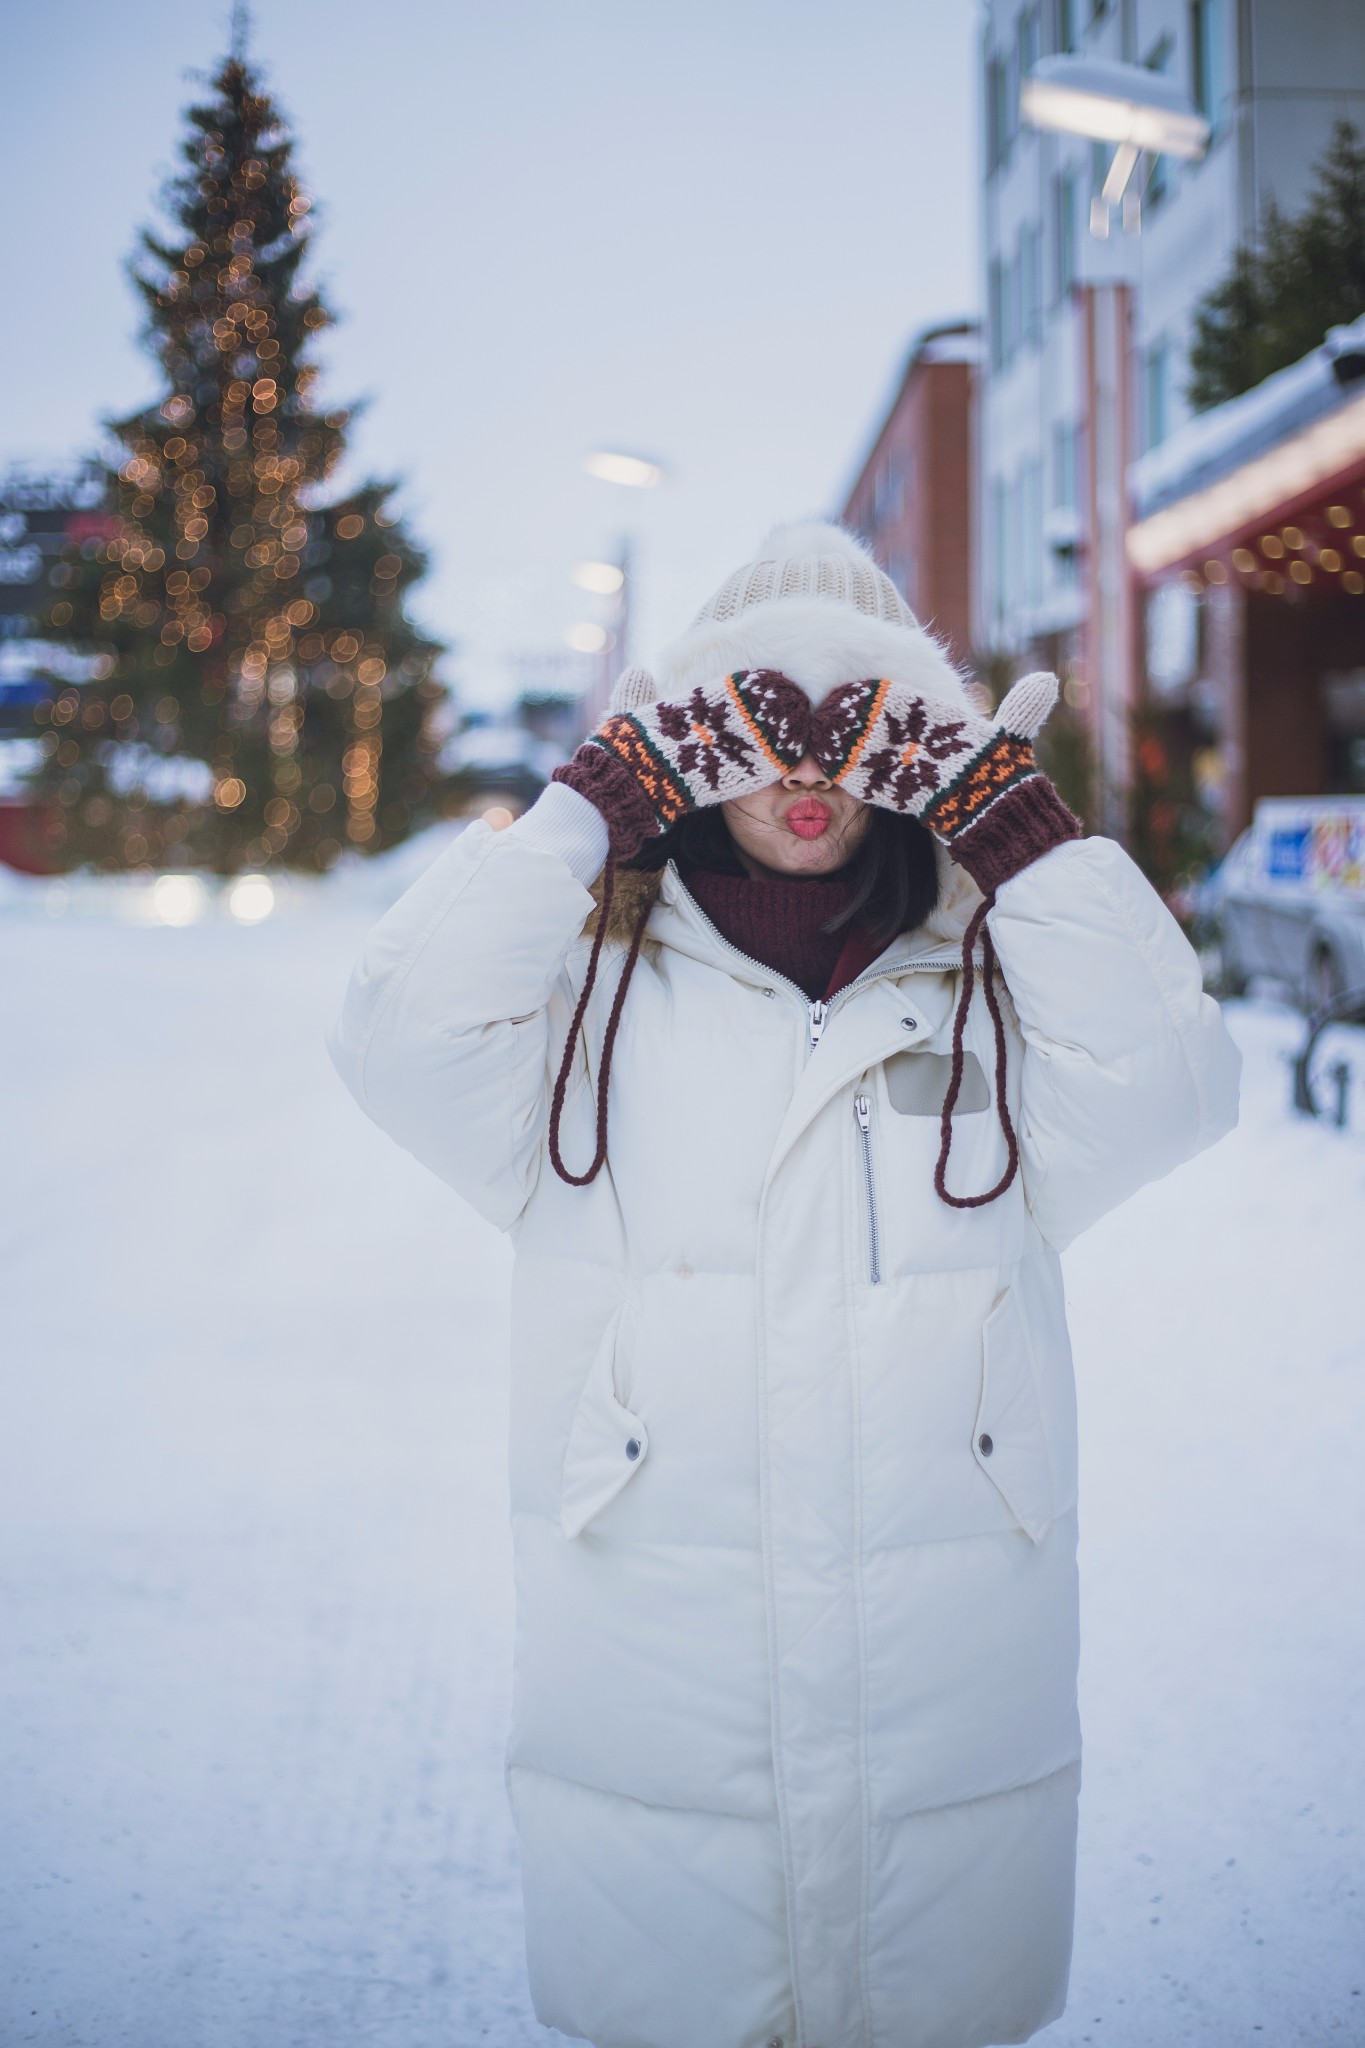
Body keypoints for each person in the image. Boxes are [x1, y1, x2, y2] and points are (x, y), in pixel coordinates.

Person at [329, 523, 1240, 2048]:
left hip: (945, 1672)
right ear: (683, 748)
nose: (802, 767)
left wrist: (1014, 833)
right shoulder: (576, 1004)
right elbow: (393, 1041)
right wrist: (584, 809)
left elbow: (1172, 1086)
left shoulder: (1004, 987)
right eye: (746, 723)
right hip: (657, 1661)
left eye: (858, 717)